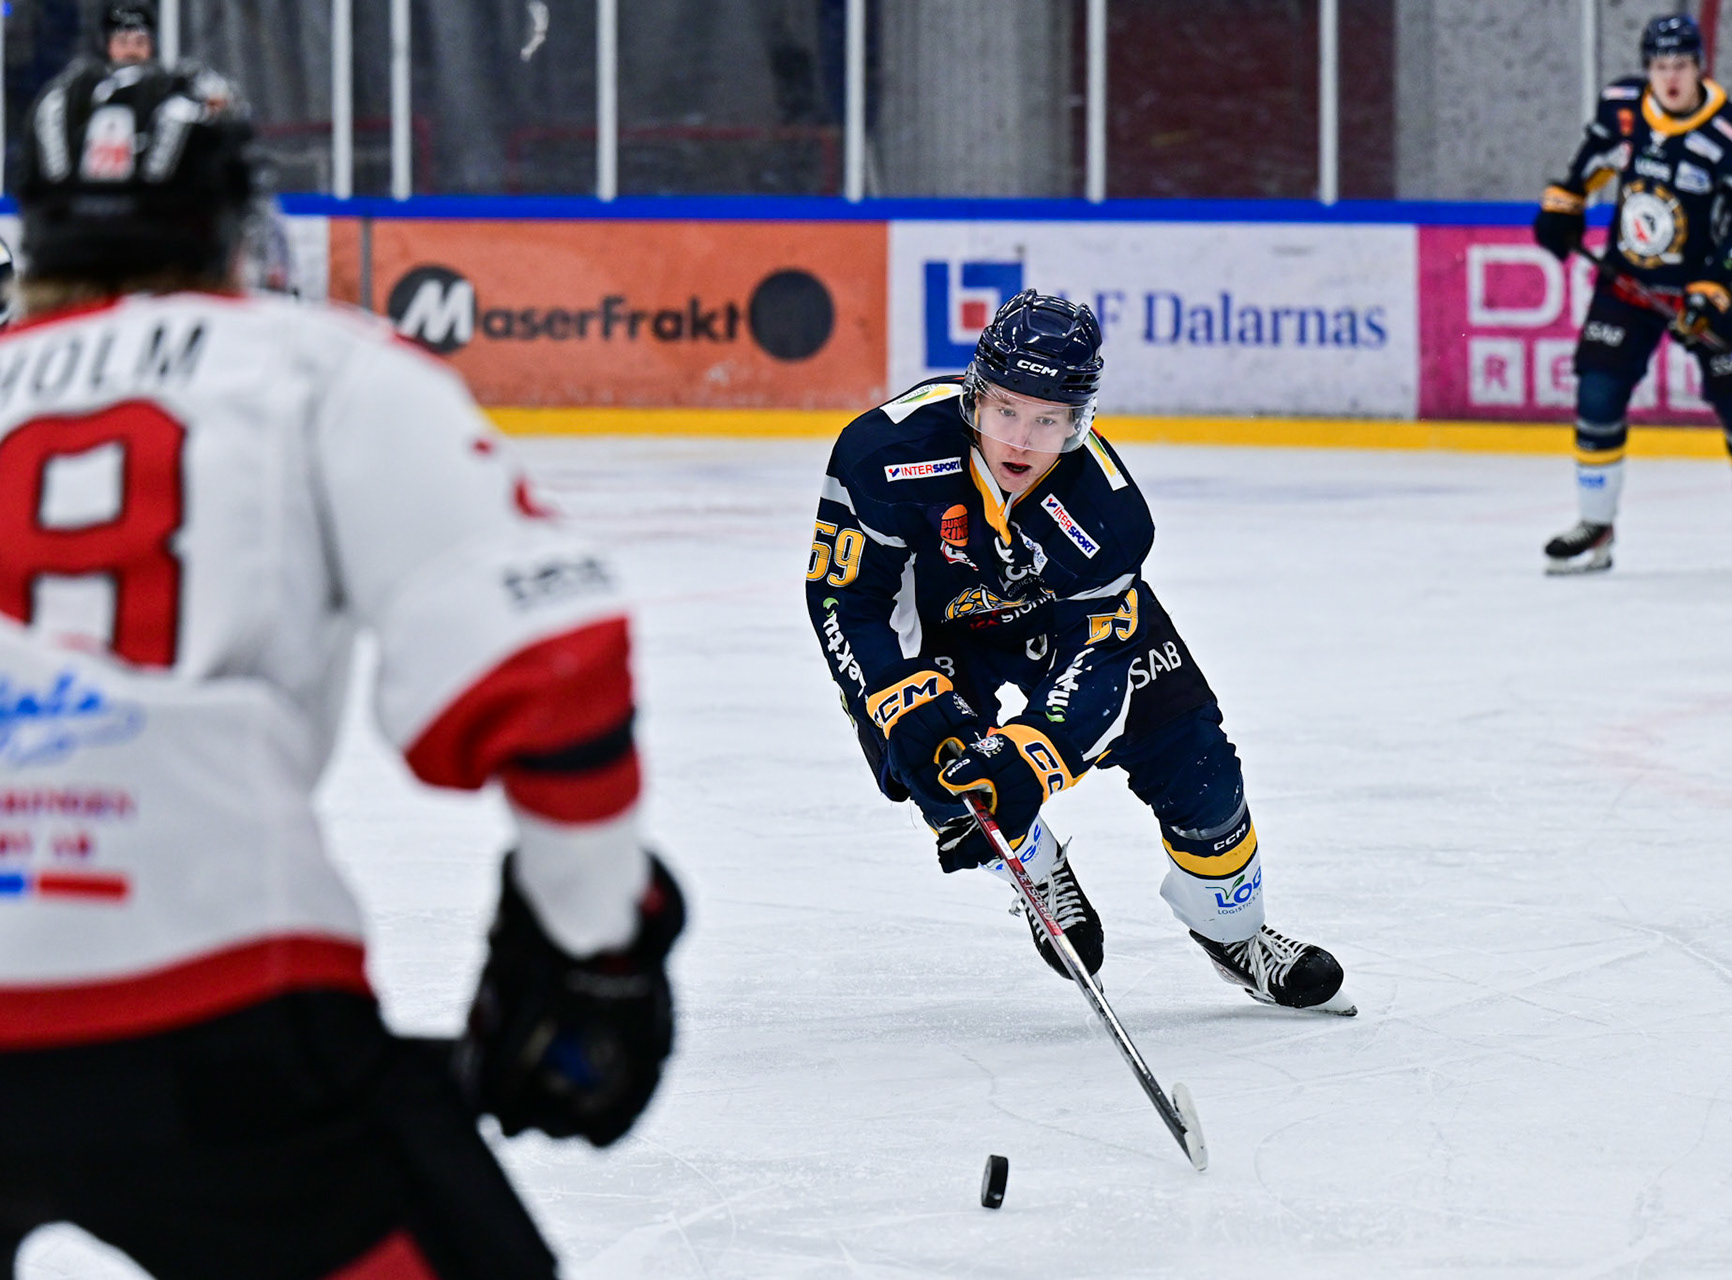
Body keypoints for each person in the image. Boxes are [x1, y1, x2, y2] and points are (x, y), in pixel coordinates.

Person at [0, 61, 683, 1278]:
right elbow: (546, 664)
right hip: (214, 999)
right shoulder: (319, 365)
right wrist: (596, 944)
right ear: (234, 220)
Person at [805, 290, 1353, 1014]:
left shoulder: (1107, 511)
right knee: (942, 768)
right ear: (975, 398)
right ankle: (1033, 865)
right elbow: (845, 597)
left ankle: (1236, 935)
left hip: (1063, 624)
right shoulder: (885, 452)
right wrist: (896, 696)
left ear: (1078, 421)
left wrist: (1031, 757)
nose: (1021, 441)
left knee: (1201, 770)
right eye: (1006, 411)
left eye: (1048, 420)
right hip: (939, 628)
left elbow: (1098, 659)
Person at [1532, 13, 1732, 574]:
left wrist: (1715, 283)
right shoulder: (1623, 108)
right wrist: (1564, 204)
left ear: (1700, 66)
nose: (1671, 78)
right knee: (1598, 391)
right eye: (1660, 66)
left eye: (1681, 65)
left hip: (1710, 291)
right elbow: (1592, 161)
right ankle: (1595, 527)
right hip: (1629, 282)